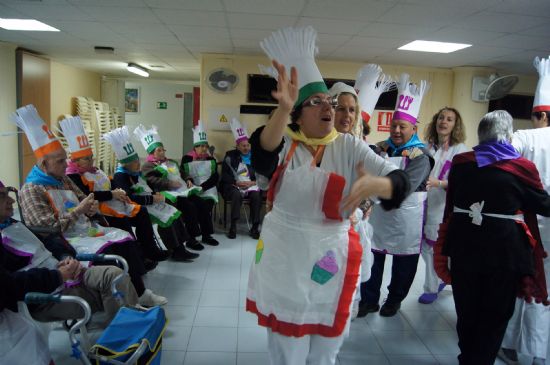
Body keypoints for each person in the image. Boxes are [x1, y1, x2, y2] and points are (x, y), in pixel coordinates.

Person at [246, 26, 410, 365]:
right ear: (298, 113)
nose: (330, 108)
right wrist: (281, 110)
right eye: (317, 102)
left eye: (331, 102)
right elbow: (263, 152)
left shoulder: (348, 145)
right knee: (286, 347)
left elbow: (400, 179)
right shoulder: (284, 141)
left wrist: (378, 186)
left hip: (331, 257)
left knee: (326, 347)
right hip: (286, 255)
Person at [11, 105, 167, 307]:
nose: (65, 165)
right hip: (64, 241)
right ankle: (124, 303)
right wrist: (80, 210)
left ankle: (140, 292)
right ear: (43, 165)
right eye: (60, 161)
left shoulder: (63, 180)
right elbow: (49, 228)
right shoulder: (32, 189)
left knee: (126, 240)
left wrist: (90, 208)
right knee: (114, 254)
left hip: (85, 229)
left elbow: (85, 199)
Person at [434, 110, 550, 365]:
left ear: (481, 134)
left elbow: (451, 202)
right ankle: (481, 360)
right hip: (504, 254)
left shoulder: (462, 164)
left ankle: (468, 357)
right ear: (508, 136)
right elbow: (544, 205)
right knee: (496, 313)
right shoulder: (521, 168)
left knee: (467, 308)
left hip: (464, 246)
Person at [0, 180, 139, 323]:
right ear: (45, 164)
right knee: (116, 289)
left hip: (60, 272)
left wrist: (65, 257)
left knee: (115, 275)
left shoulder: (12, 224)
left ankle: (127, 330)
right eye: (2, 196)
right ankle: (124, 334)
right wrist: (57, 275)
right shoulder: (32, 189)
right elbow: (8, 286)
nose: (11, 200)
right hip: (42, 295)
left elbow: (49, 240)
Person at [360, 73, 434, 317]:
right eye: (393, 126)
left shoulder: (421, 156)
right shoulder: (381, 147)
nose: (397, 131)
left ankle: (394, 299)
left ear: (414, 127)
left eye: (402, 126)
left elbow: (406, 186)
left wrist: (373, 187)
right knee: (374, 256)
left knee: (403, 262)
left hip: (406, 215)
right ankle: (369, 299)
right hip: (380, 213)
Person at [327, 65, 394, 319]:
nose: (347, 115)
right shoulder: (312, 145)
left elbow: (384, 176)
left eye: (352, 109)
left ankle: (336, 327)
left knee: (345, 285)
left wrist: (366, 201)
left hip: (349, 229)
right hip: (318, 230)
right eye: (340, 108)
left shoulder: (357, 146)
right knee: (321, 282)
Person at [60, 116, 171, 264]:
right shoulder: (72, 176)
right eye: (87, 159)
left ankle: (149, 250)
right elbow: (87, 195)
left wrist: (119, 193)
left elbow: (107, 184)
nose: (92, 161)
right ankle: (137, 258)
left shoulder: (95, 170)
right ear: (75, 161)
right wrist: (113, 194)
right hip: (97, 209)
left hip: (112, 201)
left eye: (91, 157)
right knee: (122, 220)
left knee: (142, 212)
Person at [500, 55, 550, 365]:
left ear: (535, 115)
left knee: (528, 289)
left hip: (531, 230)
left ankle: (525, 350)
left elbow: (494, 157)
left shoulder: (525, 137)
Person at [106, 126, 200, 261]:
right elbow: (129, 198)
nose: (138, 163)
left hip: (150, 200)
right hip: (135, 207)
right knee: (166, 218)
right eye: (134, 161)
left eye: (138, 159)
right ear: (125, 164)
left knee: (174, 212)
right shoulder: (120, 177)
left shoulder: (135, 173)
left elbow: (147, 186)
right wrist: (153, 198)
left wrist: (155, 196)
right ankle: (175, 249)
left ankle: (180, 247)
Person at [140, 122, 219, 248]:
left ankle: (207, 235)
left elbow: (181, 172)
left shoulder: (170, 162)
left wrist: (187, 179)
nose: (162, 152)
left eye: (163, 149)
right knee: (190, 207)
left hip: (182, 190)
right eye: (158, 150)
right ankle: (191, 239)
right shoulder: (147, 166)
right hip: (168, 194)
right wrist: (169, 183)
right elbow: (151, 180)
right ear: (151, 153)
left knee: (201, 203)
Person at [418, 107, 468, 304]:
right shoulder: (425, 147)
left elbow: (463, 182)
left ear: (455, 125)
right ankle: (440, 276)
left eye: (449, 119)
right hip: (422, 203)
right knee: (424, 247)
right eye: (440, 118)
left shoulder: (461, 151)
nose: (443, 122)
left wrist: (439, 183)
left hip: (441, 206)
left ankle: (431, 287)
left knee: (432, 247)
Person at [220, 118, 262, 239]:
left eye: (248, 145)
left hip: (252, 184)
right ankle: (233, 226)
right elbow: (225, 174)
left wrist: (254, 182)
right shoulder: (230, 156)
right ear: (237, 146)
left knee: (256, 195)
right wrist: (236, 182)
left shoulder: (256, 157)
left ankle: (255, 226)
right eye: (243, 146)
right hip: (235, 186)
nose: (246, 148)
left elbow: (262, 174)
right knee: (236, 194)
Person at [179, 121, 220, 245]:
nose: (204, 149)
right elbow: (182, 174)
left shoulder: (211, 159)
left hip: (208, 190)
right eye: (201, 146)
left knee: (206, 205)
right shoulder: (186, 158)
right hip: (192, 190)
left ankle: (206, 235)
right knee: (194, 206)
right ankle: (192, 236)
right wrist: (189, 181)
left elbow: (215, 177)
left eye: (205, 146)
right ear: (195, 147)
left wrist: (203, 187)